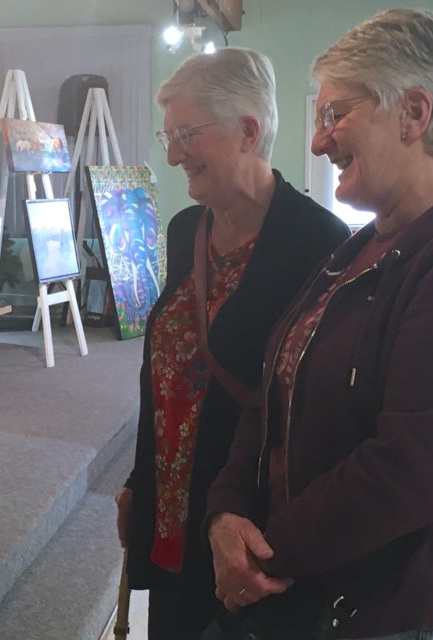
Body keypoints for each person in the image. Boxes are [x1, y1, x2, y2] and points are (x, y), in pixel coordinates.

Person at [205, 9, 433, 640]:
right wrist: (226, 511)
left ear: (414, 113)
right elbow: (271, 392)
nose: (317, 142)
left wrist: (262, 557)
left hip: (396, 603)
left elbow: (410, 470)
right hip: (311, 582)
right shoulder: (360, 245)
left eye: (335, 115)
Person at [114, 47, 350, 640]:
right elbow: (168, 372)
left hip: (249, 524)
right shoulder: (184, 229)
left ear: (248, 131)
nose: (172, 154)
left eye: (187, 133)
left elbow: (315, 407)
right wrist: (140, 480)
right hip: (171, 502)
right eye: (168, 135)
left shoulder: (319, 241)